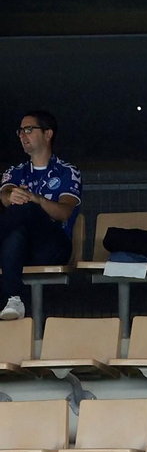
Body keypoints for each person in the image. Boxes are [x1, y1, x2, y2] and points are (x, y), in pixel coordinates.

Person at [0, 111, 81, 322]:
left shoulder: (67, 171)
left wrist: (36, 199)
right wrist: (12, 195)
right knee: (15, 234)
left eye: (29, 129)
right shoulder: (15, 171)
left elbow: (64, 212)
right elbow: (4, 196)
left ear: (48, 134)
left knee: (26, 207)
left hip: (53, 246)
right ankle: (14, 298)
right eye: (20, 131)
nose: (22, 135)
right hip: (22, 247)